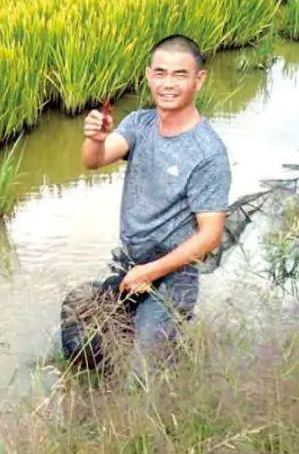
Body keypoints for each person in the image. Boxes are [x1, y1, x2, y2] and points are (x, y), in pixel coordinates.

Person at [80, 34, 231, 378]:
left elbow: (211, 235)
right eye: (160, 73)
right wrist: (95, 138)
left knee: (144, 375)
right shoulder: (139, 123)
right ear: (148, 76)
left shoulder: (208, 152)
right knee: (90, 343)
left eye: (180, 75)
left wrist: (151, 272)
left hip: (173, 278)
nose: (168, 83)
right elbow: (95, 160)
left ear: (199, 81)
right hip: (131, 265)